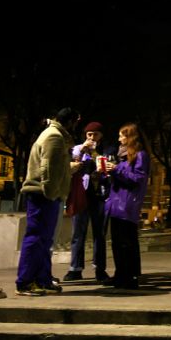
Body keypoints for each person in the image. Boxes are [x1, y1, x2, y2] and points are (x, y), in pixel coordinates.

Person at [16, 108, 80, 296]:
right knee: (36, 238)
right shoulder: (54, 136)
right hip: (43, 195)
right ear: (70, 121)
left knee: (44, 240)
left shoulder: (54, 134)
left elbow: (54, 166)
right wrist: (52, 194)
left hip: (45, 194)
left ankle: (42, 279)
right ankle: (25, 282)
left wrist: (69, 169)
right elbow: (48, 169)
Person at [103, 123, 150, 290]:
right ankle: (121, 274)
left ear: (131, 137)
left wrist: (116, 170)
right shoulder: (123, 156)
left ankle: (128, 276)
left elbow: (137, 178)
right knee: (118, 242)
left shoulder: (140, 156)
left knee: (126, 242)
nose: (119, 139)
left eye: (122, 135)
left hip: (127, 204)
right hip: (117, 204)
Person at [64, 121, 110, 283]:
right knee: (78, 232)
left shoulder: (106, 150)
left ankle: (100, 268)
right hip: (81, 194)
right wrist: (83, 150)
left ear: (101, 136)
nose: (91, 137)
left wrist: (101, 169)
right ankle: (75, 268)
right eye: (89, 134)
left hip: (99, 196)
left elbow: (109, 168)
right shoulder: (79, 148)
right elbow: (72, 163)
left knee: (99, 234)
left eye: (95, 134)